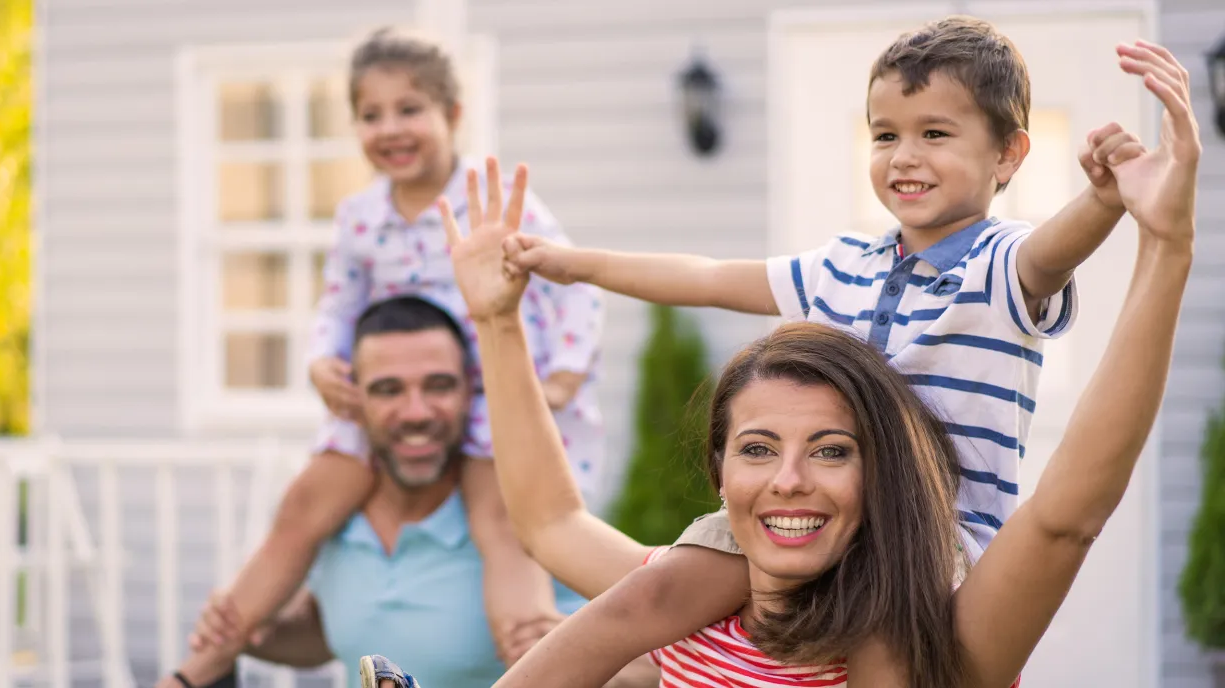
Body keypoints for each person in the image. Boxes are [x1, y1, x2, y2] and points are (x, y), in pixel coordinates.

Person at [366, 34, 1198, 685]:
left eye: (935, 134)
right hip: (832, 542)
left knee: (886, 640)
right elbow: (706, 277)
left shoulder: (1000, 265)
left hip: (932, 534)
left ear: (1010, 155)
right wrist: (562, 264)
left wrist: (1111, 202)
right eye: (885, 135)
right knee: (643, 601)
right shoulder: (843, 264)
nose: (904, 156)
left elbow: (1056, 255)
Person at [161, 27, 606, 687]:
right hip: (384, 389)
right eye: (371, 115)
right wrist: (320, 364)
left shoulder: (491, 206)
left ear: (453, 115)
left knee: (502, 524)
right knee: (303, 506)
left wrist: (564, 375)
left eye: (410, 110)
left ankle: (528, 647)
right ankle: (197, 666)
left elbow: (573, 286)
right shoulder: (359, 217)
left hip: (485, 396)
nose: (390, 129)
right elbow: (338, 305)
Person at [169, 297, 655, 688]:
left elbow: (667, 662)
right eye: (388, 390)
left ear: (472, 391)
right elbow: (332, 635)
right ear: (353, 398)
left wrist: (583, 659)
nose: (416, 411)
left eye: (439, 385)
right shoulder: (337, 520)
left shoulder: (527, 524)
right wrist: (250, 634)